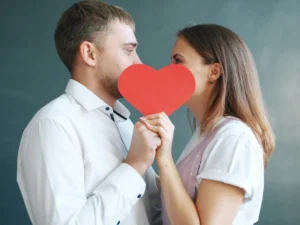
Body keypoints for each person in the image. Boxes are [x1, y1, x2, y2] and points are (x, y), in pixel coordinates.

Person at [17, 1, 162, 225]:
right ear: (89, 54)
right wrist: (134, 166)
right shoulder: (53, 125)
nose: (139, 62)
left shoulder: (124, 125)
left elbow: (152, 213)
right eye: (129, 50)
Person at [141, 24, 275, 225]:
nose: (167, 71)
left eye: (178, 61)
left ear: (214, 72)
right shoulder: (208, 133)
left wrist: (165, 159)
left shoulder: (234, 138)